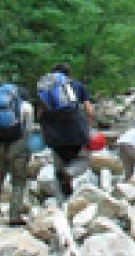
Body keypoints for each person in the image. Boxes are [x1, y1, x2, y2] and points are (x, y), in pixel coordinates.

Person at [0, 86, 34, 226]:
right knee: (18, 182)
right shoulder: (26, 106)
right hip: (17, 146)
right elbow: (28, 130)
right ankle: (14, 216)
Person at [42, 63, 94, 200]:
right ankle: (69, 172)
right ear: (69, 74)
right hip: (75, 130)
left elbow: (40, 114)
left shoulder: (46, 88)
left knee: (58, 167)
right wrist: (88, 130)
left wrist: (44, 133)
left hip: (54, 132)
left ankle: (61, 205)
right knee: (84, 160)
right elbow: (89, 110)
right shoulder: (77, 85)